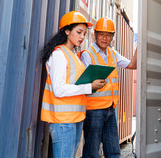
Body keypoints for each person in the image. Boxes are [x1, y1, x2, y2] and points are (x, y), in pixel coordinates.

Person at [40, 11, 106, 158]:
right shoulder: (59, 55)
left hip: (75, 119)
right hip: (63, 121)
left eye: (84, 33)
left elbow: (75, 85)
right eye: (79, 32)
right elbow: (58, 90)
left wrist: (92, 86)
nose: (82, 37)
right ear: (67, 30)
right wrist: (89, 87)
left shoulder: (73, 56)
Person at [80, 17, 137, 158]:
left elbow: (132, 65)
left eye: (108, 35)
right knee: (92, 152)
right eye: (101, 34)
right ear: (95, 34)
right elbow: (85, 84)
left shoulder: (112, 53)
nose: (105, 38)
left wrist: (140, 45)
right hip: (94, 112)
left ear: (113, 37)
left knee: (113, 151)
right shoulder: (87, 55)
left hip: (110, 109)